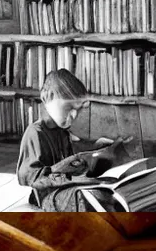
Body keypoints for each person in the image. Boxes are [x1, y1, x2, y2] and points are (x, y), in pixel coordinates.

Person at [17, 68, 126, 211]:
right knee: (91, 198)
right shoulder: (35, 133)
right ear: (47, 97)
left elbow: (71, 164)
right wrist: (66, 170)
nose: (74, 115)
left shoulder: (63, 133)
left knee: (110, 192)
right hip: (48, 196)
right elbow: (28, 177)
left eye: (78, 109)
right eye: (69, 107)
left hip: (65, 188)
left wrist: (96, 152)